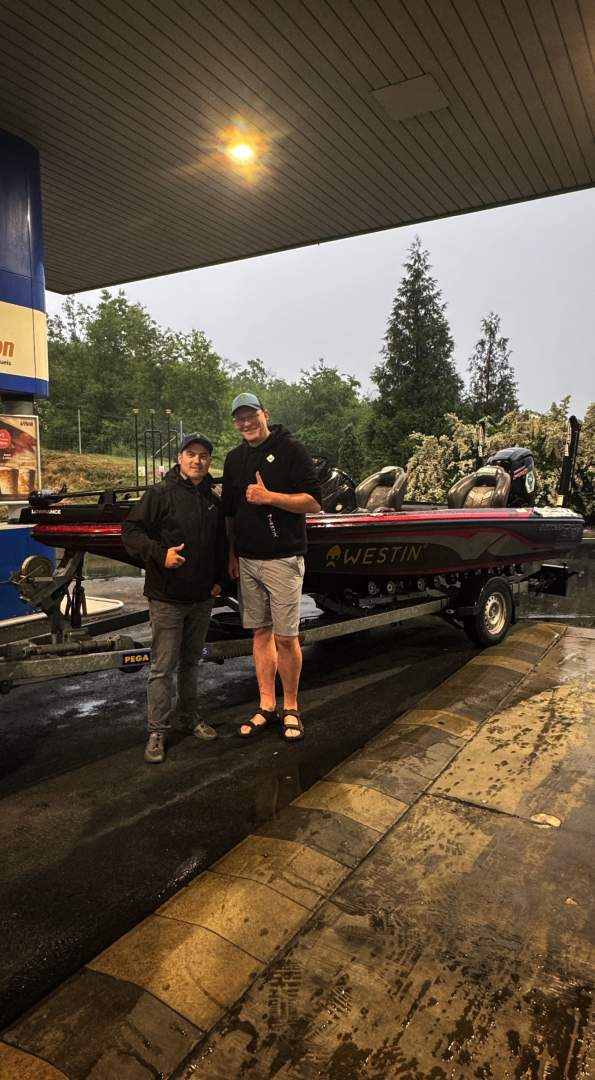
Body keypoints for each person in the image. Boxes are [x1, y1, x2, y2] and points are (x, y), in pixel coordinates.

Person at [222, 393, 322, 742]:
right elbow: (230, 512)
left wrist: (270, 498)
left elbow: (314, 502)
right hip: (248, 560)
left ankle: (290, 706)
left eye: (251, 415)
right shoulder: (234, 459)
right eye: (240, 418)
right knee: (261, 634)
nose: (246, 423)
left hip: (283, 559)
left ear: (265, 414)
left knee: (285, 637)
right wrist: (232, 554)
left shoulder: (291, 449)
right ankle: (267, 704)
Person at [122, 434, 226, 763]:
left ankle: (188, 717)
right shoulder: (160, 493)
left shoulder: (213, 499)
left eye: (204, 455)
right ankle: (157, 730)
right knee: (162, 668)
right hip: (167, 597)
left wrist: (219, 581)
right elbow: (131, 531)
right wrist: (160, 554)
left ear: (209, 461)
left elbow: (221, 543)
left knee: (191, 663)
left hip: (202, 598)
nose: (197, 460)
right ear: (180, 457)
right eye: (191, 454)